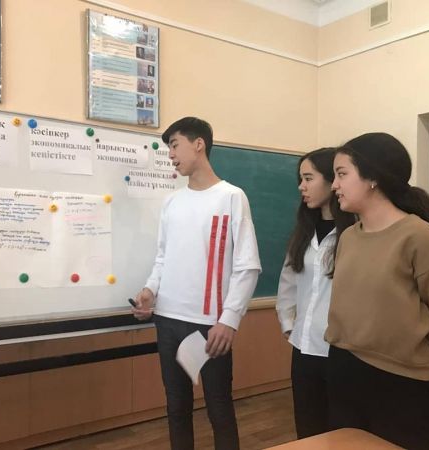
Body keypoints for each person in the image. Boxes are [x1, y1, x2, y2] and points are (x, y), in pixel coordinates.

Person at [326, 132, 429, 450]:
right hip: (343, 369)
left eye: (342, 174)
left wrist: (409, 340)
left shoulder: (419, 237)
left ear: (373, 177)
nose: (334, 185)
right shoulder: (349, 236)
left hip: (399, 382)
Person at [132, 117, 261, 450]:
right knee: (176, 407)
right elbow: (163, 257)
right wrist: (150, 291)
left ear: (199, 143)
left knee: (219, 408)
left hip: (209, 325)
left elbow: (247, 266)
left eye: (175, 145)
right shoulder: (172, 202)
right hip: (168, 320)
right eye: (169, 148)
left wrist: (228, 320)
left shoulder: (231, 197)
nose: (171, 155)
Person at [276, 148, 355, 439]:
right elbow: (288, 280)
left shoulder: (354, 232)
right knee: (308, 428)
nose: (301, 186)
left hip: (341, 350)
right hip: (303, 347)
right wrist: (288, 323)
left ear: (332, 180)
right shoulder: (304, 231)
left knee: (341, 430)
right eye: (300, 179)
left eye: (308, 178)